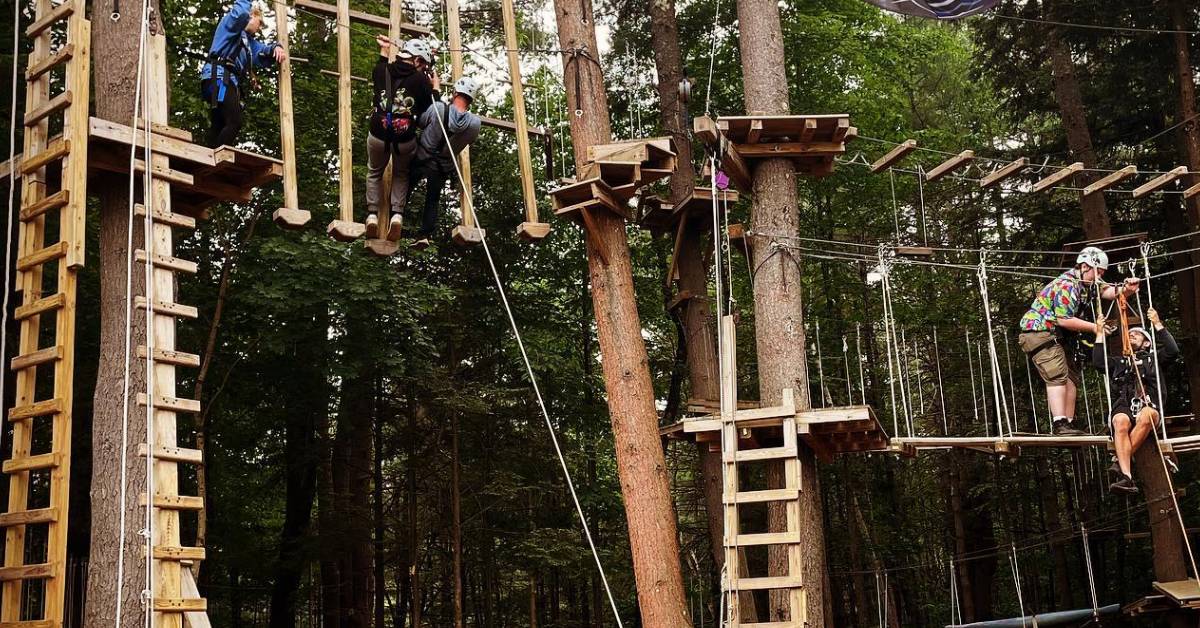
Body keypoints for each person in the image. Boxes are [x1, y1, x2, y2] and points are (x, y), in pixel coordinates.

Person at [1017, 246, 1139, 436]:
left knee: (1071, 376)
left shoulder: (1089, 282)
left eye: (1102, 273)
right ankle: (1059, 423)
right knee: (1056, 373)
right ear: (1084, 266)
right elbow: (1064, 319)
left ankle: (1069, 423)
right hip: (1040, 332)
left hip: (1058, 335)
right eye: (1097, 272)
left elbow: (1109, 291)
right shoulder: (1067, 285)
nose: (1099, 276)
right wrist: (1095, 328)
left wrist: (1127, 289)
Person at [1092, 308, 1178, 493]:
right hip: (1125, 404)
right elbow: (1099, 363)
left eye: (1137, 334)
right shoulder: (1120, 363)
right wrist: (1099, 333)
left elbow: (1173, 350)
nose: (1132, 335)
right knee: (1119, 421)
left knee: (1147, 415)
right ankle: (1127, 478)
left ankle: (1120, 461)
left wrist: (1157, 323)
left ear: (1147, 343)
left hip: (1149, 403)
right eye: (1129, 334)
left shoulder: (1154, 359)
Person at [365, 35, 438, 241]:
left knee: (374, 172)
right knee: (401, 174)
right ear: (416, 60)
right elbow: (430, 109)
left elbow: (380, 68)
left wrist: (384, 50)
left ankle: (372, 215)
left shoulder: (381, 70)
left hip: (378, 133)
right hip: (404, 138)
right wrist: (435, 88)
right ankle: (397, 215)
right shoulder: (420, 80)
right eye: (422, 64)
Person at [405, 76, 482, 247]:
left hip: (422, 157)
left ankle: (392, 218)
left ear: (455, 93)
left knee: (405, 188)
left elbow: (421, 122)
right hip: (442, 166)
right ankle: (425, 234)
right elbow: (467, 140)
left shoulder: (439, 108)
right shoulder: (475, 124)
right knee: (433, 199)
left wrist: (435, 91)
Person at [200, 0, 287, 148]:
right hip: (217, 78)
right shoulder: (231, 25)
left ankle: (209, 153)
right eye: (259, 23)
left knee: (220, 125)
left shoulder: (248, 42)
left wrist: (276, 47)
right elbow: (240, 13)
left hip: (222, 82)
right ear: (252, 15)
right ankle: (216, 157)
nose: (259, 28)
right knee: (234, 121)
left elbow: (263, 52)